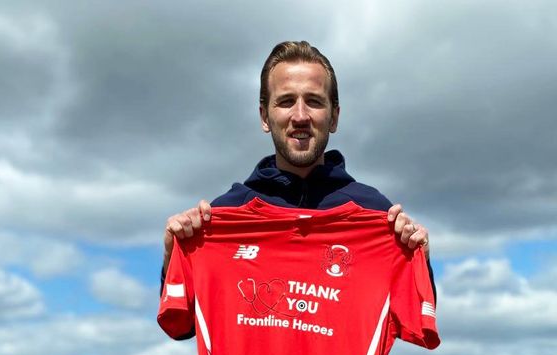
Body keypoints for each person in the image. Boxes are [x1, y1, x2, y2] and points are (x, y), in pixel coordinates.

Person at [161, 40, 434, 318]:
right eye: (286, 101)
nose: (300, 116)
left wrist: (418, 256)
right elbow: (182, 325)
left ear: (334, 117)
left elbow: (413, 318)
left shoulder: (375, 213)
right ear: (264, 117)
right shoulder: (224, 216)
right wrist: (176, 253)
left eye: (314, 101)